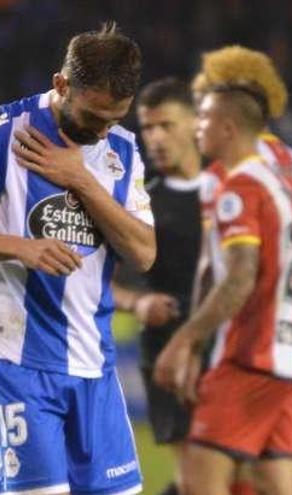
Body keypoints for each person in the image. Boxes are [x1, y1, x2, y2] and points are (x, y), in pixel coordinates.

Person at [0, 22, 153, 495]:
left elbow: (143, 252)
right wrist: (23, 248)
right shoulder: (5, 134)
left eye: (114, 119)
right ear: (61, 85)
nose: (101, 131)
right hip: (18, 360)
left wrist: (81, 180)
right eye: (93, 117)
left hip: (95, 362)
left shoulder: (123, 151)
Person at [155, 80, 292, 495]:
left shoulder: (240, 188)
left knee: (199, 481)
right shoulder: (283, 186)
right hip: (288, 353)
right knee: (275, 482)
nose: (197, 126)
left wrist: (184, 340)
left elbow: (241, 277)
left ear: (227, 127)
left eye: (204, 117)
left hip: (249, 356)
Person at [194, 45, 292, 495]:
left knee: (219, 465)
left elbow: (220, 266)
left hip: (255, 336)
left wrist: (190, 339)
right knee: (286, 467)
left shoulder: (232, 172)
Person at [111, 78, 202, 495]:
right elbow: (89, 278)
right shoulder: (138, 199)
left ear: (195, 123)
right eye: (148, 128)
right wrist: (138, 302)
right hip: (166, 345)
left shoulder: (231, 186)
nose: (156, 138)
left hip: (229, 343)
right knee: (198, 476)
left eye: (166, 125)